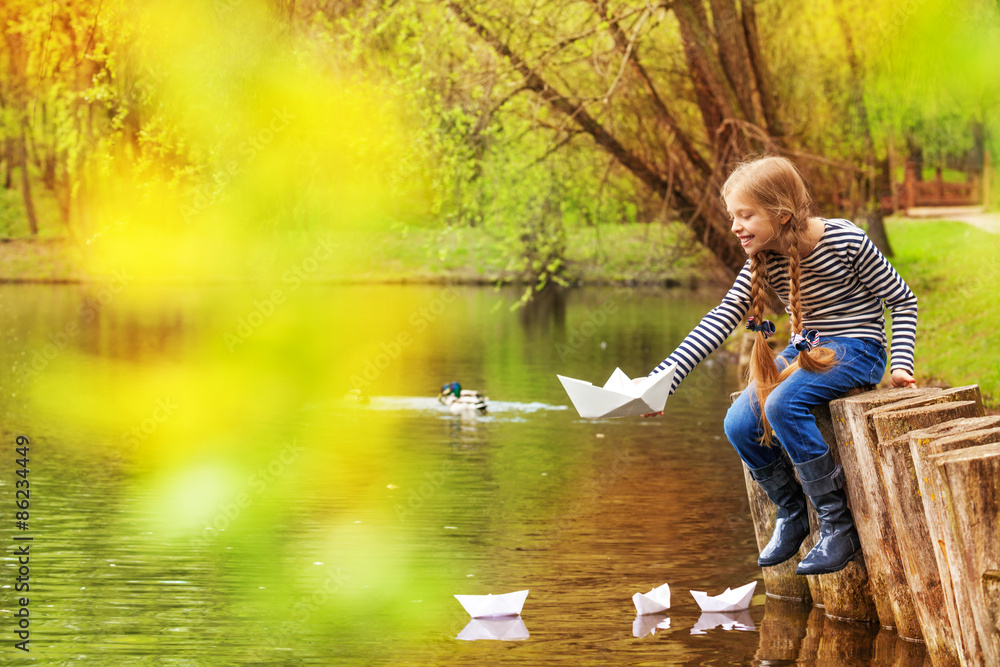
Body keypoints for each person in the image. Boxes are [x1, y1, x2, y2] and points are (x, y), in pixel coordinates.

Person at [645, 155, 917, 575]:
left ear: (782, 214)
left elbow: (903, 299)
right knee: (737, 423)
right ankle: (792, 511)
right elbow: (720, 317)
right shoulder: (764, 255)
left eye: (745, 215)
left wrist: (900, 364)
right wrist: (663, 379)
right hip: (806, 347)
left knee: (782, 405)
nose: (735, 226)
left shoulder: (846, 240)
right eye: (733, 215)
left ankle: (836, 524)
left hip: (859, 348)